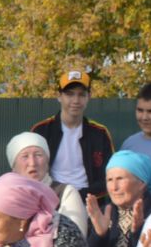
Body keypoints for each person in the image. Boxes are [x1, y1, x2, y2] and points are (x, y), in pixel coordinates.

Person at [29, 69, 115, 204]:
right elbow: (30, 173)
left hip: (89, 202)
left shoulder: (100, 133)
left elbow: (110, 177)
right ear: (59, 96)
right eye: (69, 94)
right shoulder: (41, 130)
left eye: (81, 95)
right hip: (49, 200)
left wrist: (80, 196)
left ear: (89, 97)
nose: (76, 100)